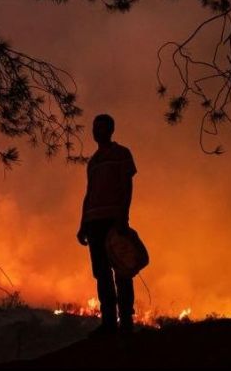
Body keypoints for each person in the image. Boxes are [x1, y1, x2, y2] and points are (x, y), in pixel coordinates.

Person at [76, 113, 137, 336]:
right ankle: (109, 321)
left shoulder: (122, 154)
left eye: (101, 128)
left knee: (122, 269)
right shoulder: (93, 162)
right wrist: (83, 224)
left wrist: (123, 216)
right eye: (94, 128)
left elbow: (126, 186)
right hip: (93, 223)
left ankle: (126, 321)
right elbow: (89, 194)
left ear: (110, 130)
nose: (96, 132)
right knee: (101, 273)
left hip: (114, 220)